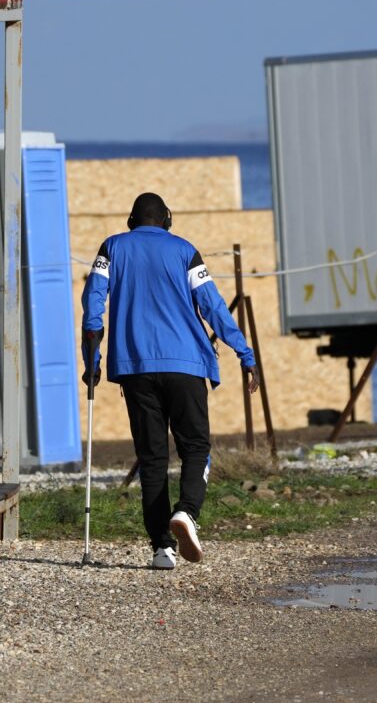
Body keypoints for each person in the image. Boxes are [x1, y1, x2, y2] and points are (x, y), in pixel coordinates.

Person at [82, 192, 256, 570]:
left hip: (135, 367)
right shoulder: (185, 251)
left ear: (132, 220)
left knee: (152, 457)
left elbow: (94, 306)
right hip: (187, 364)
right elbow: (212, 306)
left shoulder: (111, 248)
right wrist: (245, 353)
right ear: (167, 220)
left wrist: (91, 362)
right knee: (196, 448)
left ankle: (162, 547)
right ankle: (187, 513)